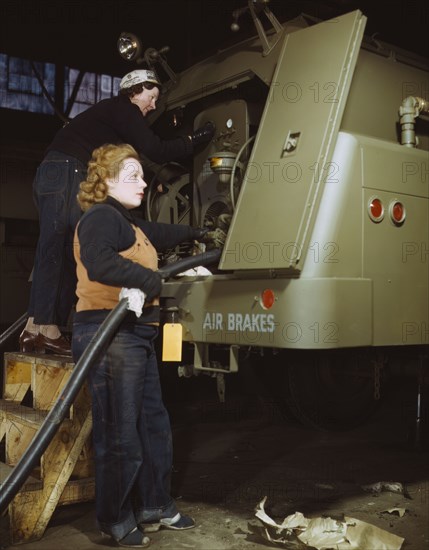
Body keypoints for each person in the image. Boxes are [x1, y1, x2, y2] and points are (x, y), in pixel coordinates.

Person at [71, 143, 219, 548]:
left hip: (135, 335)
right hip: (107, 332)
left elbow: (159, 232)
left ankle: (155, 505)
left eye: (141, 175)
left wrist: (199, 232)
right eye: (132, 176)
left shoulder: (127, 223)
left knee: (152, 424)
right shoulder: (101, 217)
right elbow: (100, 262)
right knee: (120, 433)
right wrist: (149, 281)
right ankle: (116, 521)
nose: (142, 183)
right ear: (107, 182)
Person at [20, 68, 215, 355]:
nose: (152, 106)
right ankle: (49, 328)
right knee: (68, 247)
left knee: (53, 247)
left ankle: (34, 327)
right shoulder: (124, 109)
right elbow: (155, 148)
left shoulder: (108, 114)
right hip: (68, 171)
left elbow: (131, 156)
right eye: (151, 97)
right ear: (135, 90)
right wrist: (194, 140)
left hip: (51, 173)